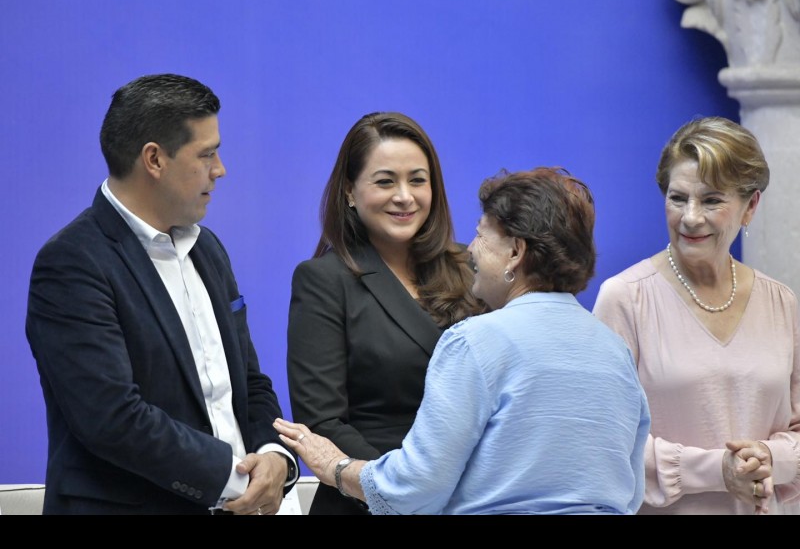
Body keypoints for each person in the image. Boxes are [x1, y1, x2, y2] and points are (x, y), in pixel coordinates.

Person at [278, 166, 651, 515]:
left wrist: (337, 467)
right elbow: (631, 490)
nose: (470, 249)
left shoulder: (474, 341)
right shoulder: (615, 351)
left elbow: (414, 488)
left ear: (515, 252)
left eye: (481, 235)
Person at [25, 73, 297, 515]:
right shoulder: (71, 263)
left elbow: (248, 383)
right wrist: (237, 481)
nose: (220, 169)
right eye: (206, 154)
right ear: (154, 159)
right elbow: (112, 419)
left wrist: (275, 455)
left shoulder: (207, 248)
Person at [593, 116, 800, 515]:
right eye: (678, 198)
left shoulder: (781, 302)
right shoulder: (625, 298)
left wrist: (771, 458)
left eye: (711, 200)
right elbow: (603, 439)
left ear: (750, 206)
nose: (690, 217)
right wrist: (717, 470)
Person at [286, 111, 486, 515]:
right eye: (385, 181)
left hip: (470, 499)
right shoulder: (323, 279)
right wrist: (404, 489)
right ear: (349, 191)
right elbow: (323, 421)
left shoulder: (470, 266)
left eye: (418, 180)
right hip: (370, 499)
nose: (405, 196)